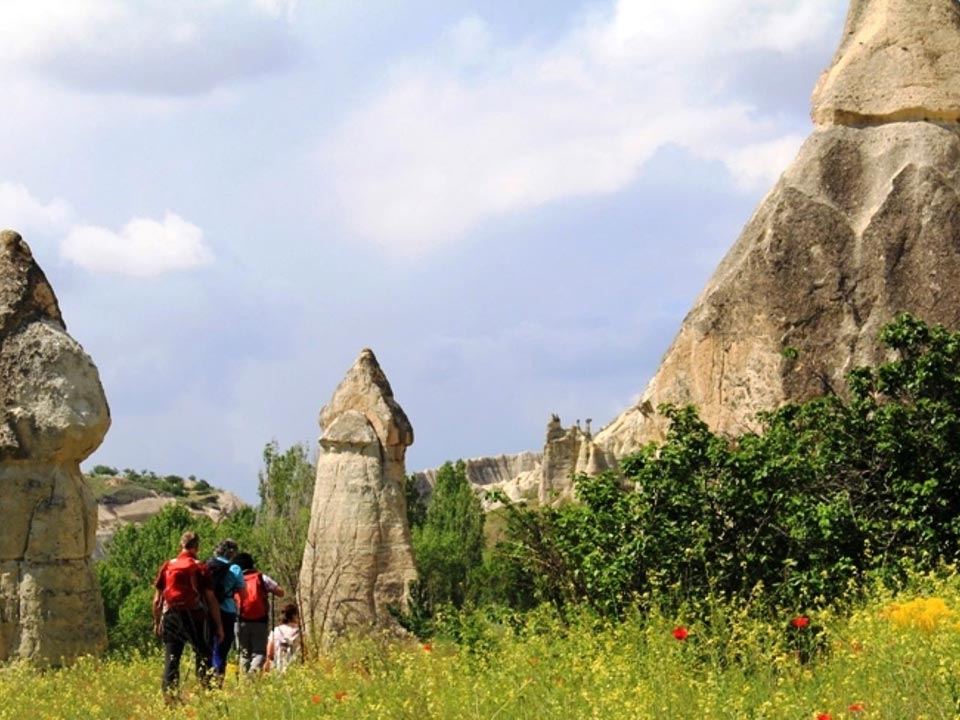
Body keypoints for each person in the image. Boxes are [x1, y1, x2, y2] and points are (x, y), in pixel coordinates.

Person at [153, 531, 225, 701]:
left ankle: (169, 699)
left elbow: (157, 600)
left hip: (171, 615)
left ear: (181, 545)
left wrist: (157, 623)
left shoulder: (168, 566)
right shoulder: (200, 567)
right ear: (197, 547)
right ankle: (206, 694)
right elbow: (210, 598)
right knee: (203, 655)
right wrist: (219, 625)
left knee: (172, 658)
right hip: (195, 615)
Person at [233, 552, 285, 673]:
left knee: (244, 654)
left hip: (240, 621)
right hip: (259, 621)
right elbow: (281, 592)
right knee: (259, 653)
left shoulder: (235, 580)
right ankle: (252, 677)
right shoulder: (261, 578)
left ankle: (244, 680)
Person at [207, 539, 246, 683]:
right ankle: (218, 680)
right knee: (222, 649)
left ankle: (205, 680)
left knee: (208, 646)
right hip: (227, 611)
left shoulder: (208, 565)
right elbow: (244, 595)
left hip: (208, 610)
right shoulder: (234, 569)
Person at [265, 602, 302, 673]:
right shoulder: (299, 632)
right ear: (294, 616)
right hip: (296, 669)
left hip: (278, 667)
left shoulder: (276, 631)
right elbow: (304, 653)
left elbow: (269, 653)